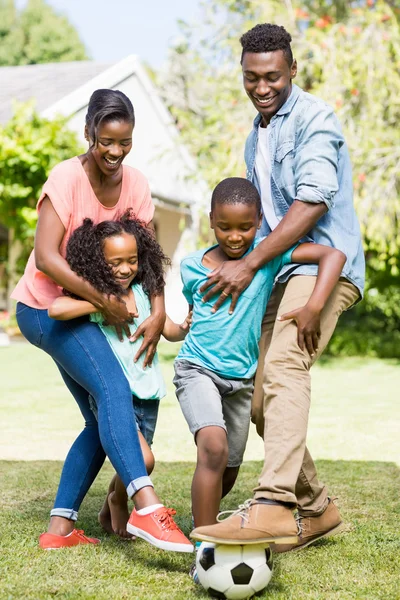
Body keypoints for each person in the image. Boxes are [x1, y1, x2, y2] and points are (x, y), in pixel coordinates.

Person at [191, 24, 365, 551]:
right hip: (282, 271)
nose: (261, 86)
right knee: (263, 397)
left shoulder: (314, 120)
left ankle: (274, 502)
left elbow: (311, 203)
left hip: (321, 268)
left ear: (292, 70)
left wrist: (253, 268)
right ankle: (316, 509)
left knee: (285, 367)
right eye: (251, 77)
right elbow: (260, 223)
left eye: (272, 76)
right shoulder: (257, 133)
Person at [12, 88, 193, 553]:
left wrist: (156, 312)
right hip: (45, 310)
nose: (114, 152)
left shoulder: (135, 184)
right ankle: (148, 508)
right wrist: (106, 301)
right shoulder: (66, 178)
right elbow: (47, 259)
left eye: (124, 141)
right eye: (105, 141)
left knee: (102, 421)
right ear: (89, 132)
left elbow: (149, 255)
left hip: (90, 308)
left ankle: (59, 530)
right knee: (112, 388)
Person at [174, 176, 346, 559]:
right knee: (213, 449)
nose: (235, 237)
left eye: (245, 227)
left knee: (229, 470)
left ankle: (204, 521)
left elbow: (333, 256)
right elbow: (193, 309)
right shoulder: (191, 266)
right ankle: (205, 548)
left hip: (240, 381)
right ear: (210, 220)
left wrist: (314, 306)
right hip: (197, 369)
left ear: (259, 224)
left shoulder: (267, 259)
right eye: (224, 227)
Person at [48, 212, 192, 539]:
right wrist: (102, 304)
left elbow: (167, 330)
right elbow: (56, 310)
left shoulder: (142, 291)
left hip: (148, 395)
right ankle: (119, 499)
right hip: (116, 396)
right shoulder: (97, 296)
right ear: (98, 262)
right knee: (145, 459)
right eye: (115, 262)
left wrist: (184, 328)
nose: (126, 269)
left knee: (135, 461)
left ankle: (115, 499)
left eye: (132, 260)